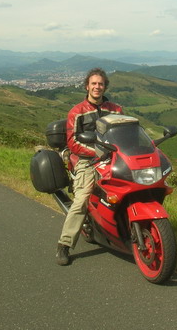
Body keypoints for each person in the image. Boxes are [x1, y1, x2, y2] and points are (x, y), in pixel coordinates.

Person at [56, 67, 123, 265]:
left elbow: (124, 133)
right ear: (87, 86)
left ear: (105, 87)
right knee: (82, 198)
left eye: (100, 84)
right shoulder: (77, 112)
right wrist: (97, 152)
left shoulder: (115, 109)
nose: (97, 87)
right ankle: (64, 244)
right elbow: (73, 142)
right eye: (93, 83)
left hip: (114, 158)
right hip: (87, 160)